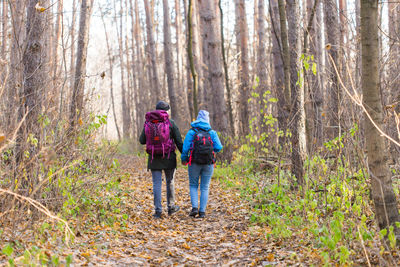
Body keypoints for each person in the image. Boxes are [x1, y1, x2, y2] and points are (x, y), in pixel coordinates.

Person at [139, 101, 183, 219]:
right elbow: (179, 141)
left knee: (157, 184)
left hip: (154, 158)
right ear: (166, 111)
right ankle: (171, 207)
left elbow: (142, 140)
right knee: (170, 182)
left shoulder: (148, 122)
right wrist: (185, 155)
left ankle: (158, 211)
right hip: (169, 157)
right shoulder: (170, 123)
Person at [181, 110, 223, 218]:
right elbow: (218, 147)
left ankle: (195, 207)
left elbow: (185, 148)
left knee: (193, 185)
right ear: (207, 120)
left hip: (194, 162)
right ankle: (202, 212)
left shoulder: (192, 132)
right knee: (205, 187)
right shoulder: (212, 132)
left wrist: (184, 159)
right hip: (208, 163)